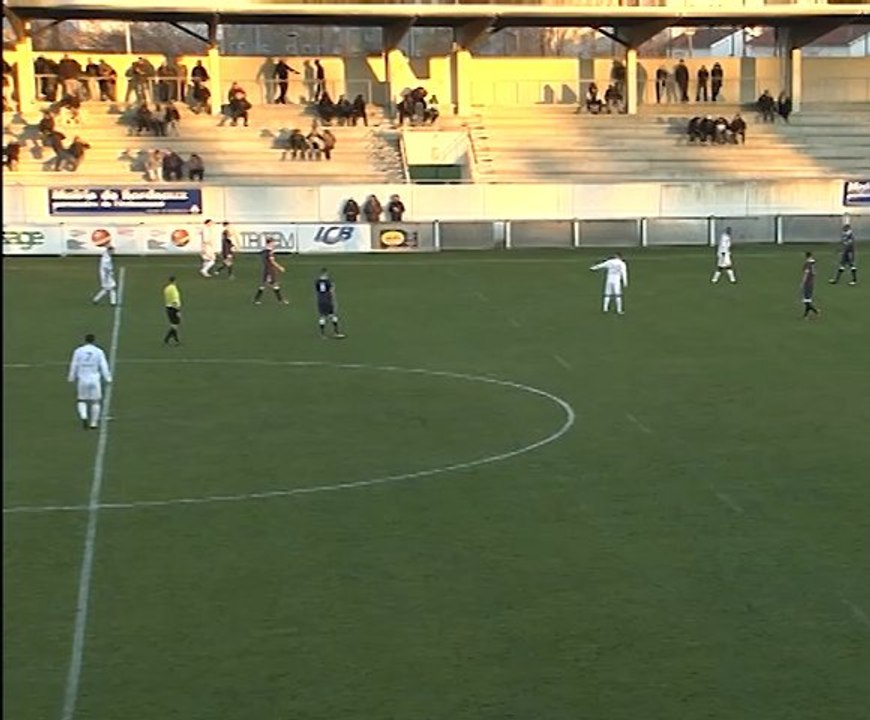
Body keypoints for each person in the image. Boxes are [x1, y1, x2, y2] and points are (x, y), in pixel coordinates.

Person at [68, 333, 112, 429]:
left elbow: (74, 364)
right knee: (95, 402)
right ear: (94, 341)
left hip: (82, 378)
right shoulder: (99, 351)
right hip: (94, 379)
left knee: (81, 400)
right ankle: (94, 423)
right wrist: (108, 378)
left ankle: (84, 417)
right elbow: (103, 365)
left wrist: (71, 377)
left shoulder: (78, 351)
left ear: (85, 340)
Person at [253, 238, 288, 305]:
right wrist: (280, 267)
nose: (274, 244)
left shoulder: (264, 251)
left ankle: (257, 299)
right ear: (269, 243)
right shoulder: (269, 252)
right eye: (273, 243)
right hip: (270, 271)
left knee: (268, 284)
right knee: (271, 284)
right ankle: (280, 300)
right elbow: (272, 261)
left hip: (266, 270)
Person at [314, 268, 346, 339]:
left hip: (320, 300)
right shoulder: (329, 282)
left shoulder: (317, 282)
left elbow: (317, 291)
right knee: (332, 315)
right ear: (326, 273)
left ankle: (322, 334)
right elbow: (332, 292)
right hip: (328, 300)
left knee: (322, 316)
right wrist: (334, 301)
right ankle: (336, 332)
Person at [800, 252, 820, 319]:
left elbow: (806, 274)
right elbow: (814, 272)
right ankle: (805, 316)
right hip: (811, 283)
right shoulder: (812, 263)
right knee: (808, 300)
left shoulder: (807, 264)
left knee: (806, 301)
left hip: (807, 283)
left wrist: (803, 282)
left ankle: (816, 311)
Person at [163, 276, 182, 345]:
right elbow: (174, 299)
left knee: (173, 324)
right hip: (173, 308)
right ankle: (168, 338)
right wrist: (177, 310)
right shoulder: (173, 289)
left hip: (168, 307)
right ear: (174, 281)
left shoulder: (166, 288)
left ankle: (175, 339)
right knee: (175, 324)